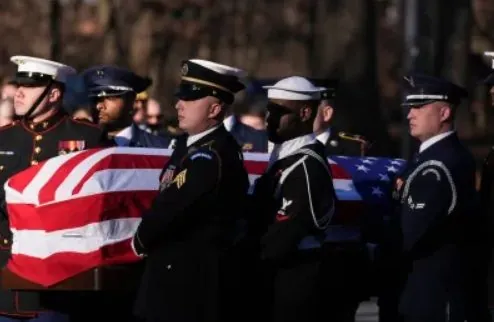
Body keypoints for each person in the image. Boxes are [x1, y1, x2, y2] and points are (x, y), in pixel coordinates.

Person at [131, 58, 250, 322]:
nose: (178, 105)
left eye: (190, 99)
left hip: (189, 288)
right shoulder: (188, 146)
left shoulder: (212, 155)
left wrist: (138, 240)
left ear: (215, 109)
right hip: (171, 281)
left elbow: (172, 208)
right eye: (180, 97)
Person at [0, 55, 105, 322]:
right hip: (6, 279)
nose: (19, 93)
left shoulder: (89, 137)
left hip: (59, 285)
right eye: (19, 85)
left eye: (30, 87)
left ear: (54, 94)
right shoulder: (5, 137)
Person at [247, 76, 336, 322]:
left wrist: (248, 259)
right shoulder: (285, 158)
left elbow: (287, 231)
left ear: (306, 112)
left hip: (293, 277)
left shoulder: (307, 165)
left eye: (278, 111)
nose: (268, 118)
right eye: (268, 110)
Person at [391, 74, 478, 322]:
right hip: (418, 293)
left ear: (444, 114)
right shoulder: (427, 158)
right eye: (410, 108)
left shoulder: (441, 165)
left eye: (418, 107)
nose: (409, 115)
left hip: (431, 299)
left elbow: (410, 233)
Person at [80, 65, 171, 148]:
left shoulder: (159, 148)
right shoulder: (80, 146)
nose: (98, 106)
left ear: (131, 100)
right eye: (94, 99)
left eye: (109, 98)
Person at [310, 78, 370, 157]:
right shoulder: (290, 142)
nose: (302, 115)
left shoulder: (354, 148)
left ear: (326, 114)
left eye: (309, 110)